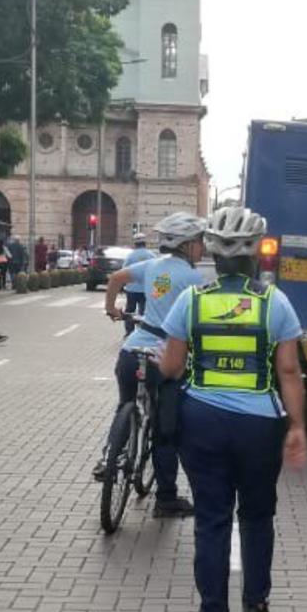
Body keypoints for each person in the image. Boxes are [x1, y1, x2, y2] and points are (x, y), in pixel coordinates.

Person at [158, 206, 307, 612]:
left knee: (211, 520)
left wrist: (163, 366)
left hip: (202, 421)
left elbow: (172, 365)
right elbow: (288, 371)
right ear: (256, 253)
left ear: (214, 255)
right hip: (260, 425)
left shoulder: (192, 300)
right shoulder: (274, 302)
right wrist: (297, 426)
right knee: (258, 518)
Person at [96, 212, 201, 520]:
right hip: (165, 357)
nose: (203, 249)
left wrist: (111, 309)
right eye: (199, 242)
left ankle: (109, 457)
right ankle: (166, 498)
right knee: (167, 429)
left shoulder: (151, 266)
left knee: (126, 403)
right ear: (186, 245)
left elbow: (116, 278)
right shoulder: (194, 278)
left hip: (132, 350)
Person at [122, 231, 155, 317]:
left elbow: (123, 271)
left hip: (131, 289)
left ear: (135, 244)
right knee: (144, 313)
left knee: (130, 310)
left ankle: (129, 329)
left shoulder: (130, 256)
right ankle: (142, 329)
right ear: (145, 243)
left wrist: (123, 285)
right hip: (146, 289)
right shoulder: (151, 255)